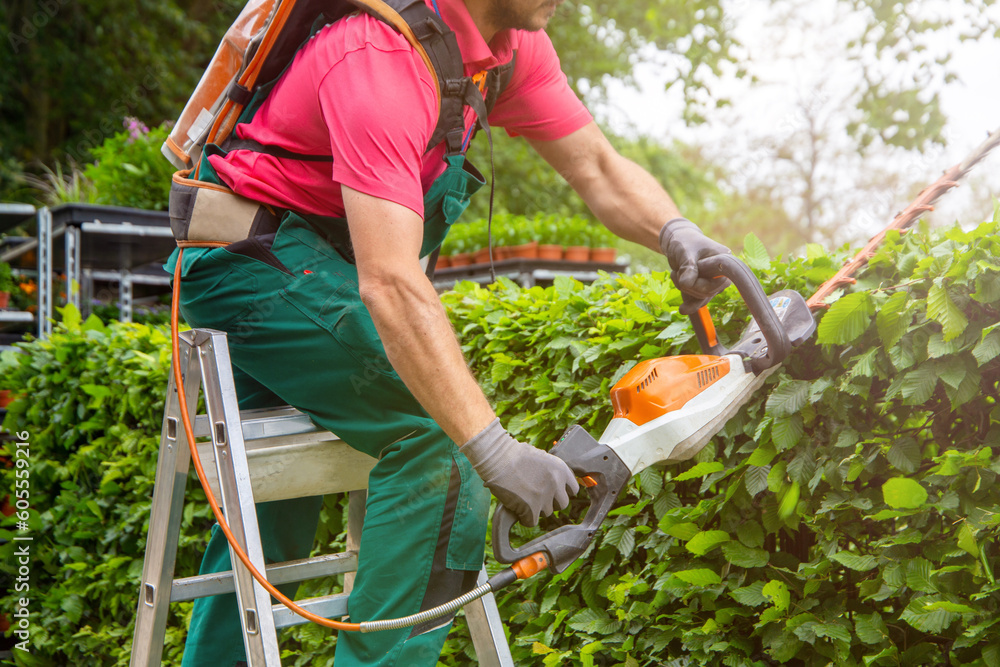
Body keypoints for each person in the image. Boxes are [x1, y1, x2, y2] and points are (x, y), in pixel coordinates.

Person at [166, 0, 732, 664]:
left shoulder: (507, 49)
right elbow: (392, 282)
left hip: (321, 267)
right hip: (246, 264)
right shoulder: (379, 54)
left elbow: (598, 169)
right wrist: (490, 449)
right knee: (444, 441)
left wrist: (676, 232)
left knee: (274, 503)